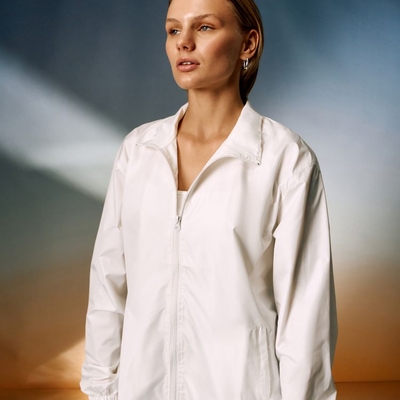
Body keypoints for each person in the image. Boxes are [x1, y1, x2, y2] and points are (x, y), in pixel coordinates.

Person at [80, 0, 338, 399]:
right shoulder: (138, 151)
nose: (183, 43)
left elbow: (306, 315)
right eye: (173, 30)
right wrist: (100, 390)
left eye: (204, 28)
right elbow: (108, 283)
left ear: (248, 43)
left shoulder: (285, 160)